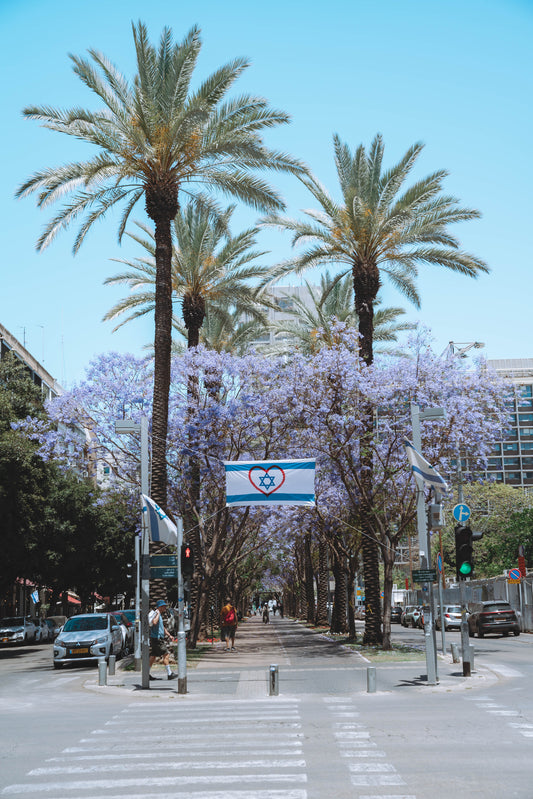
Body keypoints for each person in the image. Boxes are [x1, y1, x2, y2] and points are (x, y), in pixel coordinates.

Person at [149, 599, 177, 680]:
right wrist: (157, 613)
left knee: (153, 656)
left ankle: (146, 674)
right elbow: (154, 622)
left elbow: (162, 627)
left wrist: (169, 635)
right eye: (164, 606)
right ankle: (169, 674)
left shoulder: (159, 615)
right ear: (160, 607)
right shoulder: (156, 614)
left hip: (156, 638)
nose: (165, 608)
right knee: (166, 654)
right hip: (157, 639)